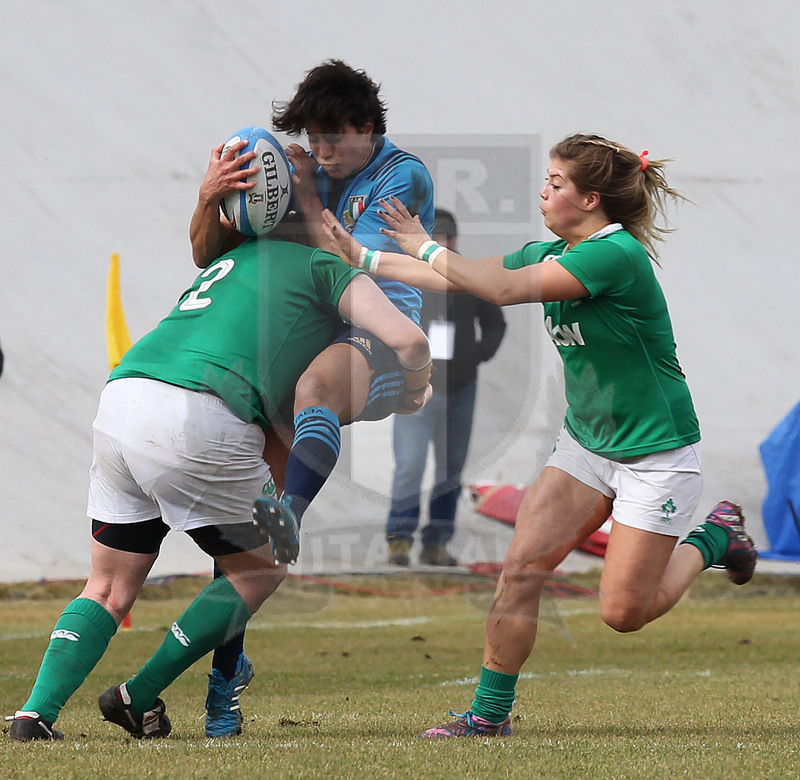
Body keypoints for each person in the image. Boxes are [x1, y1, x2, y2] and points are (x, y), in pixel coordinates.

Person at [322, 132, 758, 738]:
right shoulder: (554, 250)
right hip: (587, 445)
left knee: (623, 612)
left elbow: (499, 290)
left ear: (591, 199)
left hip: (655, 455)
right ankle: (487, 717)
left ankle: (715, 536)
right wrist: (362, 259)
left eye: (556, 183)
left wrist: (425, 246)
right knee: (521, 569)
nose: (544, 191)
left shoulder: (615, 256)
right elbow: (463, 279)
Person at [8, 223, 431, 742]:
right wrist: (414, 385)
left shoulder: (228, 260)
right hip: (199, 413)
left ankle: (33, 715)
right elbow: (408, 339)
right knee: (260, 569)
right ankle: (137, 694)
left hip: (123, 396)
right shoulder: (320, 264)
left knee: (108, 586)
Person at [188, 60, 434, 736]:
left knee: (315, 389)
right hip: (308, 327)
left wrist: (298, 191)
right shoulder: (302, 167)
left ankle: (288, 515)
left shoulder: (400, 175)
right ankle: (223, 682)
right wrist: (213, 197)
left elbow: (348, 257)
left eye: (332, 139)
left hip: (380, 328)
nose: (321, 151)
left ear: (367, 127)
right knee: (240, 531)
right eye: (311, 139)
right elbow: (206, 256)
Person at [387, 208, 506, 567]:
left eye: (448, 237)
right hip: (416, 391)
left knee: (450, 471)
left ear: (455, 241)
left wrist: (477, 355)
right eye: (437, 236)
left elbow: (496, 323)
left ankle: (436, 542)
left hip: (461, 388)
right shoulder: (409, 277)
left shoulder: (468, 278)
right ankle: (399, 541)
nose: (444, 243)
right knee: (410, 464)